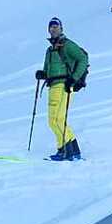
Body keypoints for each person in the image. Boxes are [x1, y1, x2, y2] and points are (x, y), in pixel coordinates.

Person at [35, 17, 88, 161]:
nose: (53, 29)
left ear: (61, 28)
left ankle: (66, 151)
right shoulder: (50, 50)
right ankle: (70, 151)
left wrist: (74, 78)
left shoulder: (67, 45)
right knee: (54, 121)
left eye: (56, 26)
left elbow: (83, 59)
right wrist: (42, 74)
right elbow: (48, 70)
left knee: (57, 120)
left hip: (64, 85)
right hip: (53, 87)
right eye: (51, 27)